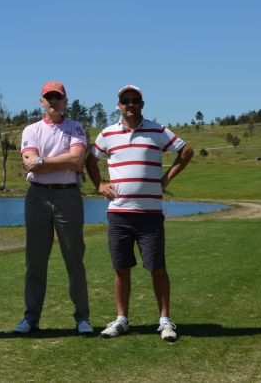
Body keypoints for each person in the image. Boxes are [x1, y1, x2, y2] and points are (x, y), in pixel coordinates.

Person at [85, 84, 193, 342]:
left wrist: (166, 179)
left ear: (142, 104)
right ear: (119, 106)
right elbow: (91, 159)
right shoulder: (107, 133)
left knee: (157, 267)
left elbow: (186, 152)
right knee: (121, 268)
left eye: (135, 100)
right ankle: (122, 319)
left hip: (150, 213)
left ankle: (165, 321)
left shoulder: (158, 130)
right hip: (119, 213)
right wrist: (100, 184)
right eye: (125, 101)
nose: (130, 104)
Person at [13, 81, 92, 335]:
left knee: (74, 260)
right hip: (38, 197)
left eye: (58, 97)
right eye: (49, 97)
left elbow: (77, 159)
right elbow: (29, 164)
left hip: (68, 197)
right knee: (35, 262)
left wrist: (43, 161)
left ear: (65, 101)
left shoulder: (76, 128)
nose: (54, 101)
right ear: (42, 102)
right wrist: (62, 162)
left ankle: (82, 318)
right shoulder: (31, 130)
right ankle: (31, 318)